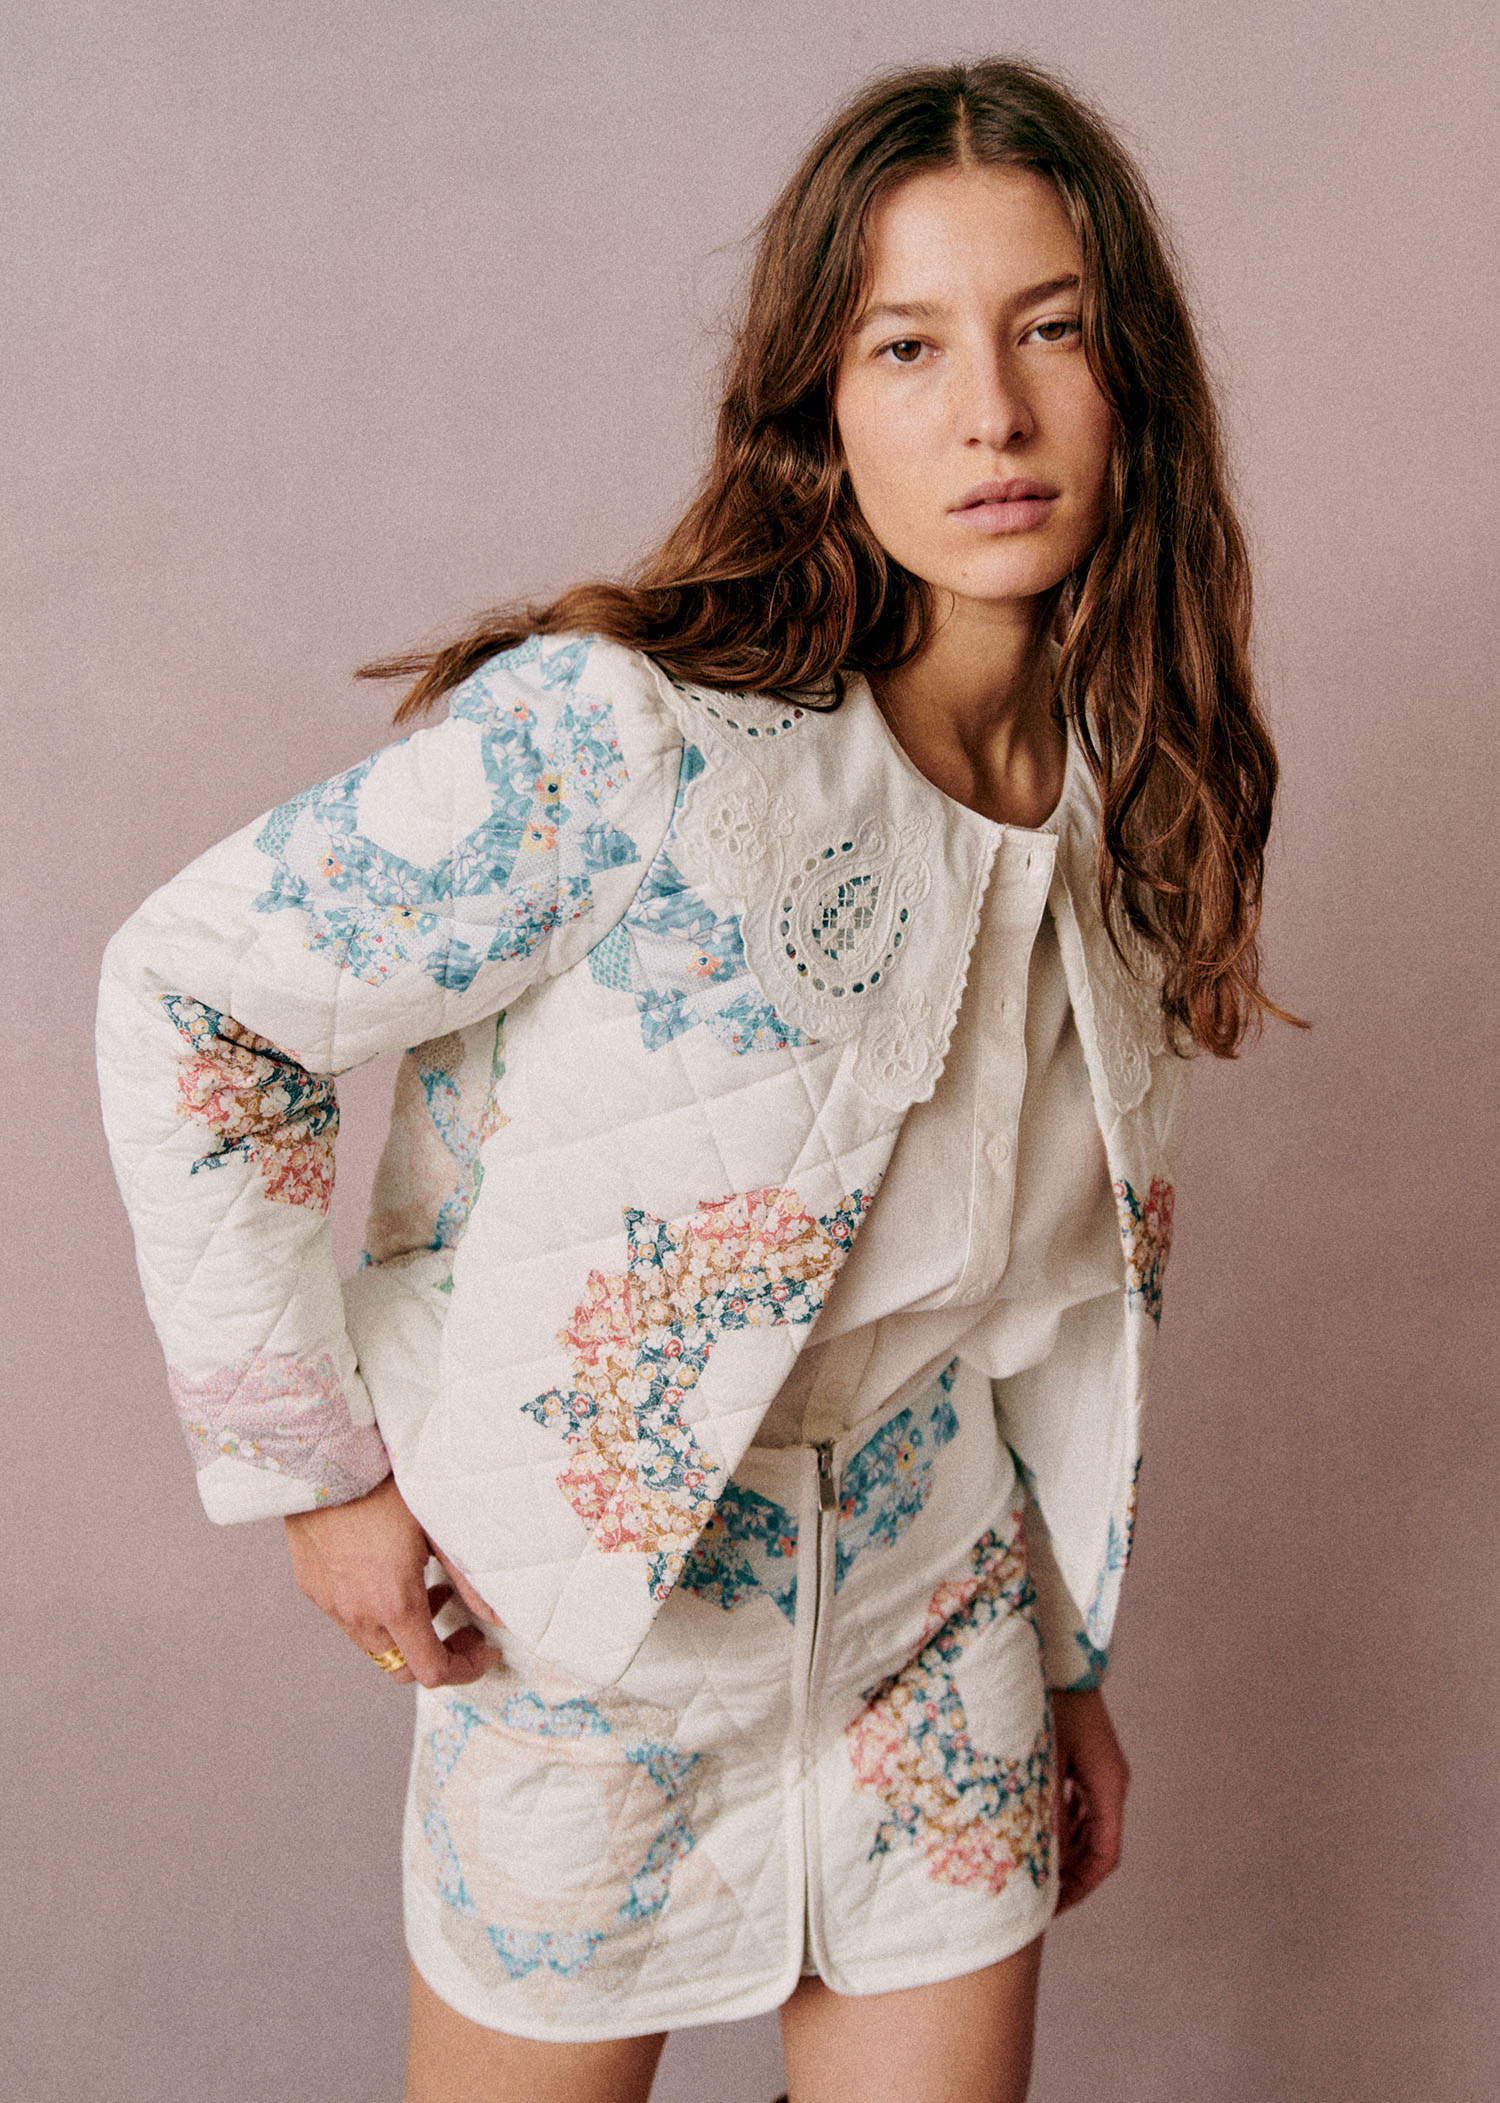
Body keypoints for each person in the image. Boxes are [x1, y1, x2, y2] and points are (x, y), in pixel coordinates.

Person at [97, 56, 1290, 2103]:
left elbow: (1038, 1316)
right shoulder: (630, 737)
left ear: (1136, 384)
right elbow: (196, 995)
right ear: (820, 401)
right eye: (907, 346)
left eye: (1054, 330)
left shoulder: (1130, 805)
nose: (992, 414)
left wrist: (1064, 1661)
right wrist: (318, 1472)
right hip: (591, 1651)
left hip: (939, 1644)